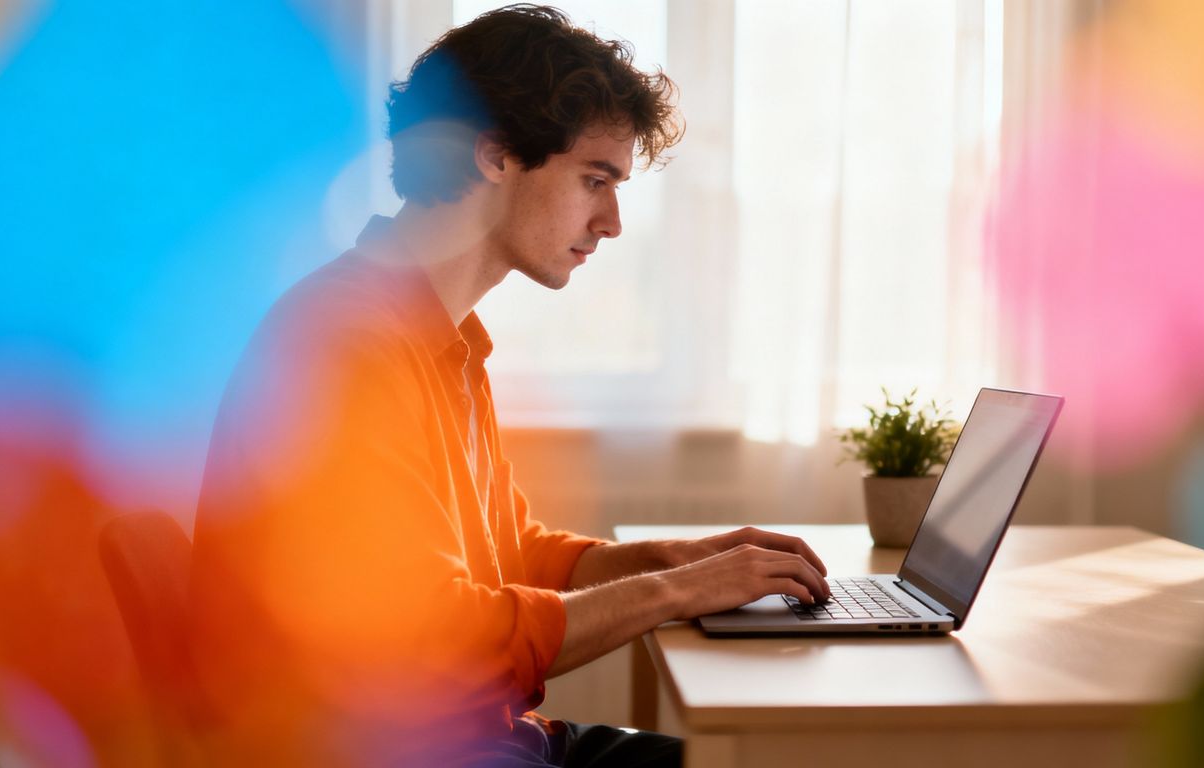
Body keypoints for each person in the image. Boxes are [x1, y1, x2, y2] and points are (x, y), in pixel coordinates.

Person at [189, 5, 830, 766]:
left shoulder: (438, 338)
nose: (614, 221)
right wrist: (677, 595)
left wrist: (680, 561)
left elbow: (507, 555)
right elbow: (429, 643)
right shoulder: (345, 349)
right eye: (596, 178)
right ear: (495, 155)